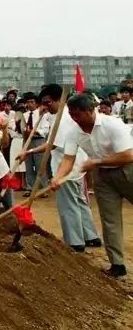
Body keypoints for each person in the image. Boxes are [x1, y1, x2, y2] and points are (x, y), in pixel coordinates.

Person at [52, 93, 133, 277]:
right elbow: (68, 158)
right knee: (109, 219)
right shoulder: (74, 131)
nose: (75, 119)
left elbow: (128, 155)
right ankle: (117, 264)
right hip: (103, 177)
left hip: (128, 170)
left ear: (90, 110)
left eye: (78, 114)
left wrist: (96, 161)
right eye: (71, 114)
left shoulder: (111, 124)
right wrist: (58, 177)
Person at [31, 85, 101, 252]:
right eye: (43, 104)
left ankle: (75, 241)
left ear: (59, 100)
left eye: (48, 103)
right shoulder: (60, 116)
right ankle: (91, 236)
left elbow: (53, 145)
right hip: (76, 166)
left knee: (68, 204)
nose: (46, 107)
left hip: (67, 167)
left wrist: (30, 151)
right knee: (79, 201)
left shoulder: (64, 118)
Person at [21, 92, 48, 195]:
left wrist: (34, 132)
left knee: (40, 165)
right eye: (27, 102)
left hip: (39, 140)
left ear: (36, 103)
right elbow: (21, 128)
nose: (29, 104)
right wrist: (25, 131)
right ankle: (30, 188)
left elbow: (45, 129)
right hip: (27, 141)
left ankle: (42, 189)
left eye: (32, 102)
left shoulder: (43, 114)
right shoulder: (24, 115)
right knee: (28, 165)